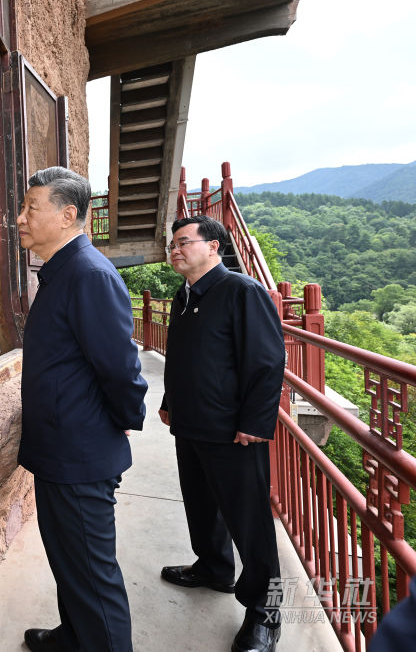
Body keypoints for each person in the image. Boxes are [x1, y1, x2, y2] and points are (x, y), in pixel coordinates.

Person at [17, 166, 148, 652]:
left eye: (32, 208)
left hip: (80, 453)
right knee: (68, 559)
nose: (21, 218)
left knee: (94, 573)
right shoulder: (61, 271)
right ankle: (74, 636)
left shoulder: (89, 274)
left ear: (68, 215)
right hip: (61, 449)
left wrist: (121, 421)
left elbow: (120, 368)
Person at [158, 215, 286, 652]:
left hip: (234, 431)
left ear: (214, 247)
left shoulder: (241, 291)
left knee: (249, 522)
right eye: (172, 244)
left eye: (184, 242)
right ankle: (213, 568)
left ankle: (265, 612)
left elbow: (267, 363)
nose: (175, 249)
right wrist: (169, 401)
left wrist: (254, 423)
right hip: (191, 424)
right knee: (201, 504)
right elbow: (183, 357)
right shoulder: (185, 294)